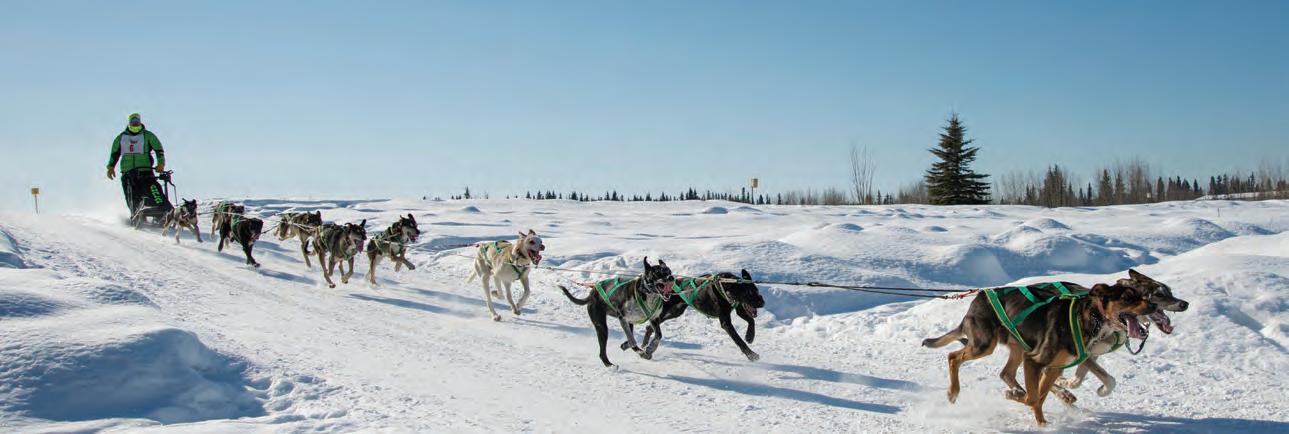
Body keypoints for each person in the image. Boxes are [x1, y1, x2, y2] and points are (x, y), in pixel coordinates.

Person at [107, 113, 171, 217]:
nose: (135, 123)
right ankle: (136, 214)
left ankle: (164, 210)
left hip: (145, 170)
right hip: (128, 172)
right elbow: (114, 154)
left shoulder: (148, 135)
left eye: (137, 121)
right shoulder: (121, 137)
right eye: (133, 121)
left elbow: (159, 150)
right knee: (132, 196)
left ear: (140, 122)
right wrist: (110, 167)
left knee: (154, 191)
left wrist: (161, 164)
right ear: (129, 123)